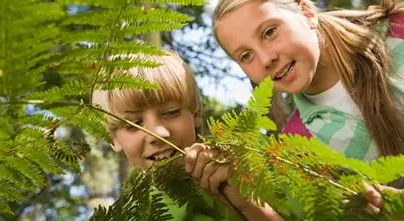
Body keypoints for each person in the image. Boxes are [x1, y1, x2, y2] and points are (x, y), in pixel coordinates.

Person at [211, 0, 404, 189]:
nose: (266, 59)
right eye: (246, 56)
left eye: (269, 32)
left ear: (307, 13)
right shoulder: (298, 146)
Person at [92, 50, 282, 221]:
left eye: (170, 112)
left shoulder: (255, 158)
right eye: (134, 124)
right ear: (113, 139)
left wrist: (247, 201)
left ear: (196, 114)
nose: (158, 134)